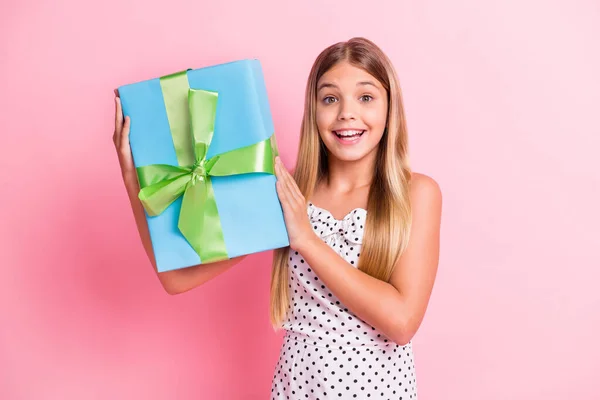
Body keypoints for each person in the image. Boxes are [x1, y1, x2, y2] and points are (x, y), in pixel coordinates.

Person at [113, 37, 442, 400]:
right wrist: (134, 180)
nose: (347, 113)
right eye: (330, 98)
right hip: (296, 389)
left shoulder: (416, 194)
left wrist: (307, 240)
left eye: (366, 97)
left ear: (390, 107)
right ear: (313, 110)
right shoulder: (284, 191)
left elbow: (402, 322)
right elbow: (176, 278)